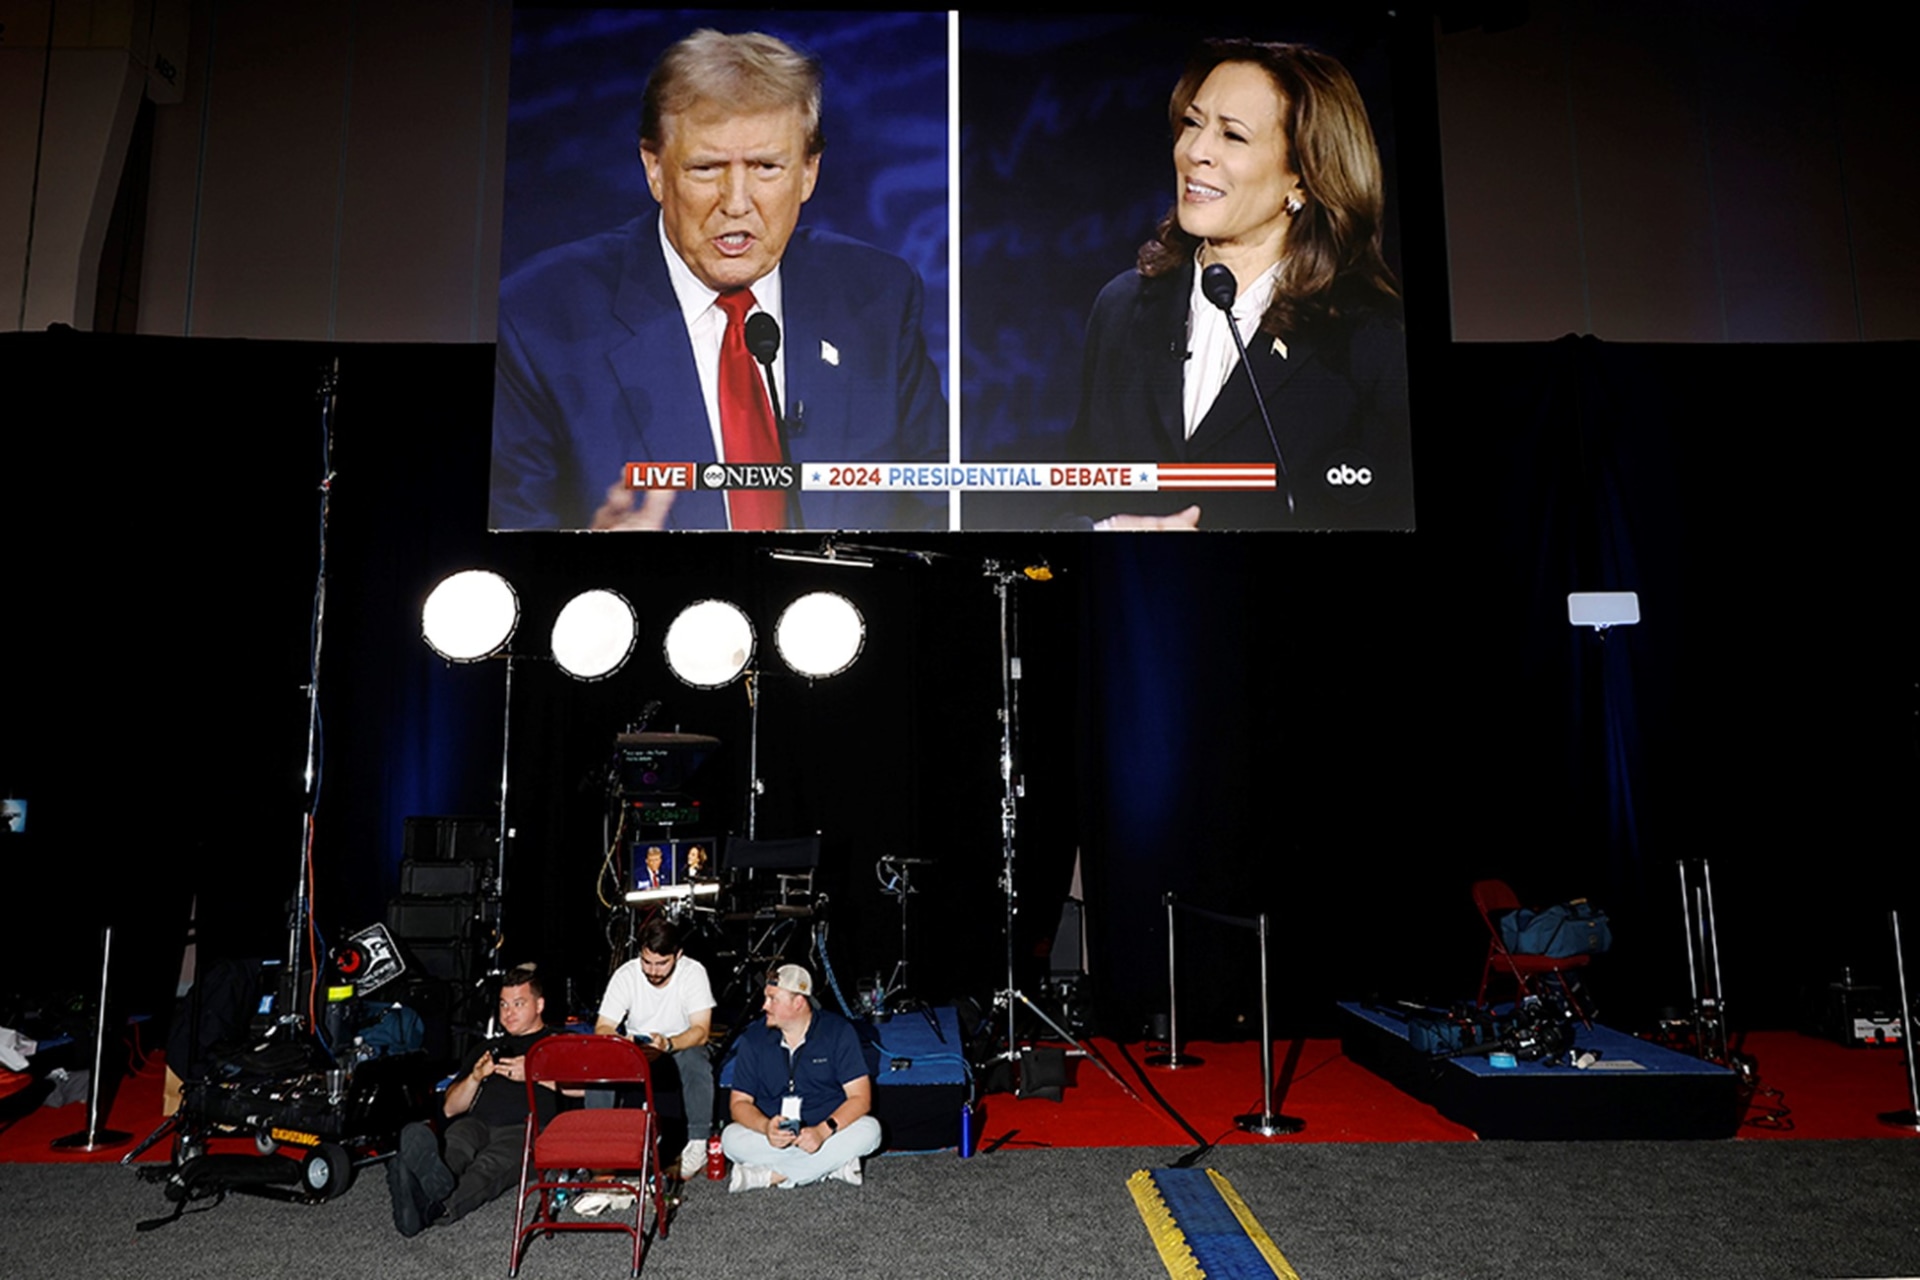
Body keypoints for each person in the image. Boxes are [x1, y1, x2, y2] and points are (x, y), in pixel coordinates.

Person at [491, 28, 947, 533]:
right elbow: (512, 543)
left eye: (765, 167)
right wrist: (589, 560)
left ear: (809, 171)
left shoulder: (877, 297)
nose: (735, 201)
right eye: (706, 168)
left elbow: (938, 509)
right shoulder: (539, 319)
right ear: (655, 170)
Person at [1068, 38, 1412, 531]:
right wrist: (1100, 532)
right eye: (1192, 123)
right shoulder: (1121, 308)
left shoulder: (1366, 339)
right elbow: (1065, 495)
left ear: (1302, 177)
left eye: (1232, 136)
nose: (1194, 152)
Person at [387, 965, 559, 1237]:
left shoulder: (559, 1043)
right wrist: (475, 1078)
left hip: (526, 1129)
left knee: (487, 1168)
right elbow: (450, 1107)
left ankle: (435, 1209)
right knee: (453, 1149)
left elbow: (589, 1089)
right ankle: (423, 1189)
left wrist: (535, 1074)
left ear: (539, 1005)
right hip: (476, 1122)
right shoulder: (486, 1048)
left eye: (518, 1004)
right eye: (503, 1004)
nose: (508, 1012)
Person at [721, 963, 881, 1191]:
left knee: (871, 1131)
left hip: (826, 1130)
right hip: (773, 1136)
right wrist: (766, 1127)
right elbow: (739, 1104)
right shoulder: (753, 1038)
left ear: (798, 1002)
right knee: (730, 1138)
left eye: (772, 999)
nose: (764, 1006)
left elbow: (860, 1098)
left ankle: (770, 1176)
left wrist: (822, 1131)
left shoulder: (837, 1032)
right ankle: (829, 1168)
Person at [591, 916, 715, 1178]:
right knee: (600, 1060)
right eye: (647, 962)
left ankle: (697, 1143)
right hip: (637, 1047)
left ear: (677, 955)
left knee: (695, 1059)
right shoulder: (626, 974)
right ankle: (599, 1146)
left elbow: (701, 1031)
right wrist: (619, 1043)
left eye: (661, 964)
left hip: (679, 1044)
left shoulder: (693, 973)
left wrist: (669, 1043)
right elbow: (603, 1026)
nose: (653, 971)